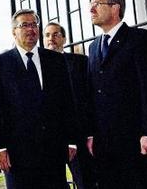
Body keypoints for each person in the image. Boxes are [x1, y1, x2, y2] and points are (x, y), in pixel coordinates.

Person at [0, 9, 78, 188]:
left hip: (53, 152)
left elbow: (67, 103)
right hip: (16, 155)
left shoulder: (56, 60)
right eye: (24, 25)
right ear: (14, 31)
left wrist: (72, 140)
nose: (31, 29)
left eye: (34, 25)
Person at [87, 0, 147, 188]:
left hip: (136, 141)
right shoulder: (94, 47)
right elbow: (93, 94)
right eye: (91, 5)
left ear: (115, 8)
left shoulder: (140, 39)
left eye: (97, 4)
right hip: (105, 145)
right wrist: (91, 135)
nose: (91, 9)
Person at [43, 22, 97, 189]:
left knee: (86, 182)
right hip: (49, 139)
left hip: (78, 135)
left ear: (64, 38)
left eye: (56, 34)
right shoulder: (34, 65)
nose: (51, 38)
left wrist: (91, 133)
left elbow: (90, 97)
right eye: (47, 35)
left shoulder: (80, 62)